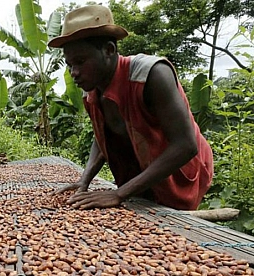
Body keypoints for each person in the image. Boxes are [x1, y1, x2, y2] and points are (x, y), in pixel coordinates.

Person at [50, 5, 213, 211]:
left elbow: (186, 145)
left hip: (181, 172)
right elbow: (102, 136)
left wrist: (119, 194)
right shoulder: (92, 91)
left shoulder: (151, 75)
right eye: (69, 64)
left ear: (109, 50)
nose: (74, 73)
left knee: (172, 224)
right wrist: (84, 181)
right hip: (141, 170)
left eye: (81, 62)